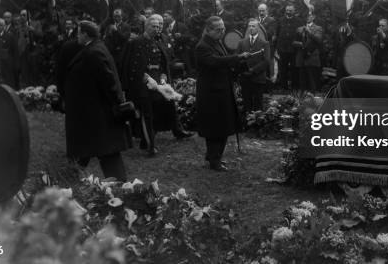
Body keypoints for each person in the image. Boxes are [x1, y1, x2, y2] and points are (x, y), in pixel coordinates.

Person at [63, 21, 131, 181]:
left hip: (97, 114)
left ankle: (121, 189)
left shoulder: (93, 52)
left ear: (86, 34)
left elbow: (109, 82)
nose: (77, 36)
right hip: (93, 113)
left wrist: (118, 104)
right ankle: (68, 184)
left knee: (104, 153)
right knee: (96, 153)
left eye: (78, 33)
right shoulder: (95, 48)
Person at [120, 14, 193, 156]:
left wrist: (164, 76)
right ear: (146, 27)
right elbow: (129, 66)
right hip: (142, 83)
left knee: (162, 107)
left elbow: (163, 63)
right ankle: (150, 145)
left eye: (159, 26)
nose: (157, 28)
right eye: (154, 26)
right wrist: (146, 78)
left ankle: (152, 138)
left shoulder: (159, 41)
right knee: (146, 113)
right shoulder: (135, 43)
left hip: (159, 81)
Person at [195, 16, 250, 171]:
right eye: (218, 29)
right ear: (208, 30)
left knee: (223, 125)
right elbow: (215, 62)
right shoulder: (203, 46)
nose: (222, 31)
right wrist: (237, 57)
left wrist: (238, 62)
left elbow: (223, 60)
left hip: (221, 89)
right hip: (211, 92)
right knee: (216, 128)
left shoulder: (216, 41)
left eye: (223, 28)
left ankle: (214, 156)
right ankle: (214, 160)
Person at [237, 19, 270, 112]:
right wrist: (243, 70)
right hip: (245, 79)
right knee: (246, 104)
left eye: (253, 26)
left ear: (258, 28)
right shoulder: (242, 42)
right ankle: (246, 124)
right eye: (249, 26)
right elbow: (237, 58)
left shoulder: (264, 43)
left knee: (258, 105)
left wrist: (252, 70)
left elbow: (266, 61)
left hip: (258, 78)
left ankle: (257, 125)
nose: (251, 28)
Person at [293, 12, 323, 92]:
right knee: (302, 79)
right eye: (306, 16)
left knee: (312, 78)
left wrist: (309, 32)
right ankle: (302, 97)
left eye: (309, 16)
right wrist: (299, 44)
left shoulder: (318, 28)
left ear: (313, 17)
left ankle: (312, 97)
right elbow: (293, 42)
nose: (307, 17)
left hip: (312, 56)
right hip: (302, 56)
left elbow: (319, 40)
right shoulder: (299, 29)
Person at [275, 4, 301, 90]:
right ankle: (283, 87)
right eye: (287, 10)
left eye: (290, 10)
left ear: (294, 11)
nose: (288, 12)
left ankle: (295, 87)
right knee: (283, 69)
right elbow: (277, 34)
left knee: (294, 69)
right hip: (283, 49)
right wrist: (277, 48)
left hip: (294, 49)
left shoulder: (299, 21)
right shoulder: (280, 20)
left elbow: (301, 36)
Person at [258, 3, 277, 79]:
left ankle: (269, 81)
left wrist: (258, 31)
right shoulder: (256, 20)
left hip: (268, 46)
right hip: (258, 46)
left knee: (268, 64)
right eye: (260, 11)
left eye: (263, 11)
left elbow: (269, 33)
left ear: (267, 11)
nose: (261, 13)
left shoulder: (271, 20)